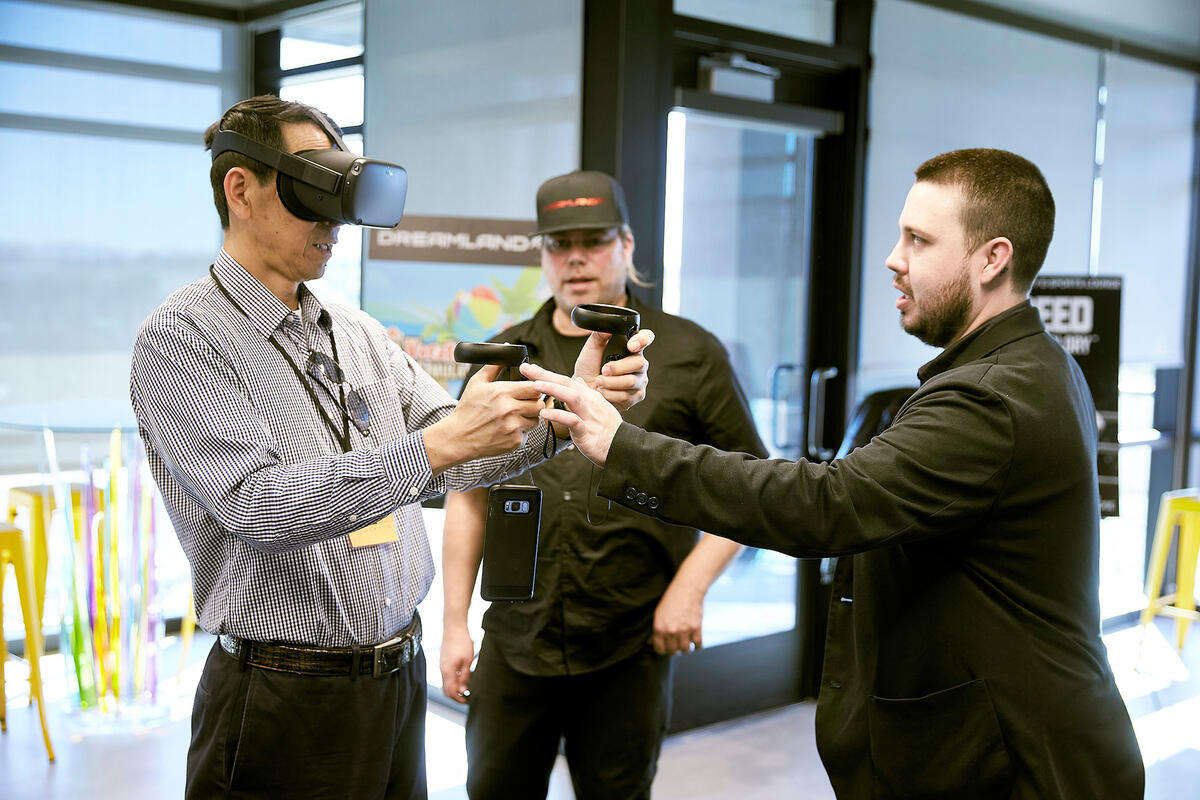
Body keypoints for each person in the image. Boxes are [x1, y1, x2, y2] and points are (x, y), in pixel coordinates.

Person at [526, 149, 1146, 798]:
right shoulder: (1025, 363)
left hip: (1019, 762)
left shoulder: (991, 397)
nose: (893, 258)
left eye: (918, 239)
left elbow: (827, 506)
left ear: (992, 258)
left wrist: (619, 444)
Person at [128, 97, 652, 800]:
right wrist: (433, 448)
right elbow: (258, 506)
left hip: (394, 681)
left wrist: (567, 411)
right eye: (312, 190)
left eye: (339, 194)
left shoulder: (356, 331)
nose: (333, 222)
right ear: (241, 189)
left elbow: (467, 448)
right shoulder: (182, 340)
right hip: (282, 694)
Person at [439, 170, 768, 799]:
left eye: (594, 240)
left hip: (630, 640)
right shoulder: (505, 355)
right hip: (516, 637)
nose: (576, 258)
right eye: (560, 245)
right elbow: (467, 492)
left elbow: (746, 489)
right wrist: (456, 622)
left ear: (628, 246)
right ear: (543, 255)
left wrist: (689, 589)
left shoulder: (689, 354)